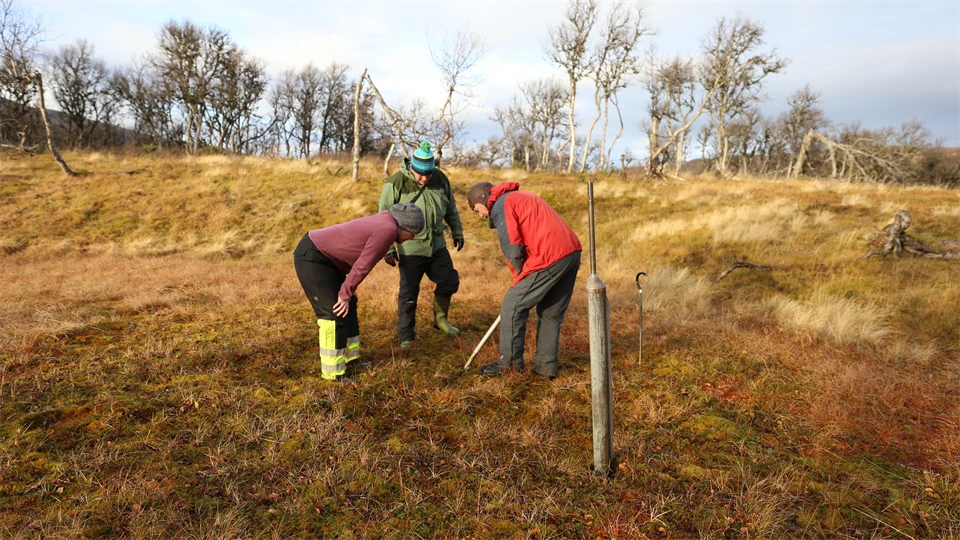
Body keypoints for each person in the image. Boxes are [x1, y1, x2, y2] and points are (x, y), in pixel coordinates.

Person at [293, 203, 425, 381]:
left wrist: (348, 292)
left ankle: (351, 359)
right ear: (405, 226)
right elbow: (363, 265)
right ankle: (333, 373)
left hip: (328, 260)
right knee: (333, 312)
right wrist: (344, 293)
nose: (413, 237)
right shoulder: (387, 229)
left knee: (350, 304)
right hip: (313, 256)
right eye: (413, 233)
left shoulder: (387, 222)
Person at [466, 181, 582, 379]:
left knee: (513, 304)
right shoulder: (519, 197)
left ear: (482, 199)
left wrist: (520, 276)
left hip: (550, 255)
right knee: (550, 312)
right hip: (571, 253)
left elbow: (513, 246)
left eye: (477, 210)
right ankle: (545, 368)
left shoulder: (501, 205)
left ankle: (509, 364)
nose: (481, 215)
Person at [378, 141, 465, 348]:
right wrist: (388, 248)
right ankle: (406, 335)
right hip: (410, 247)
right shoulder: (396, 182)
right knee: (409, 292)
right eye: (421, 175)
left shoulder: (441, 179)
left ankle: (440, 320)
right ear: (412, 168)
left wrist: (457, 231)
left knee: (449, 281)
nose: (425, 179)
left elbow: (451, 208)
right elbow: (383, 216)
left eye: (429, 174)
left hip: (437, 245)